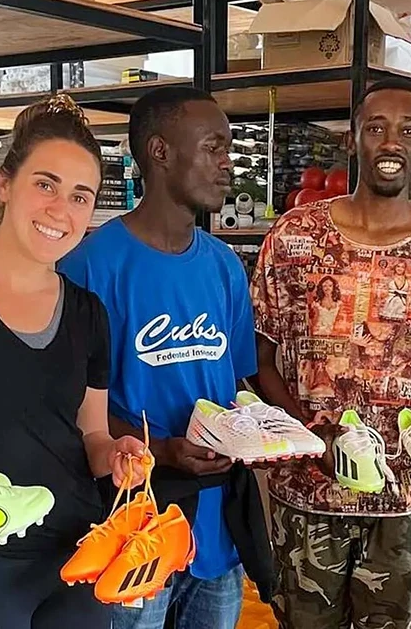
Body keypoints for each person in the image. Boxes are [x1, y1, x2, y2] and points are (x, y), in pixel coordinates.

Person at [250, 78, 411, 629]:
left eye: (408, 130)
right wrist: (305, 432)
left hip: (410, 498)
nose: (391, 142)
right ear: (353, 140)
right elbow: (259, 357)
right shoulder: (295, 236)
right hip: (310, 493)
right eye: (376, 128)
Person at [0, 95, 146, 628]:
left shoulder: (89, 312)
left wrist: (116, 455)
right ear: (5, 183)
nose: (60, 211)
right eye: (45, 184)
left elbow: (89, 435)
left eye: (80, 196)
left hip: (77, 552)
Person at [58, 87, 258, 629]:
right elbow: (67, 405)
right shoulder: (90, 267)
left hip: (217, 529)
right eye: (214, 147)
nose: (227, 164)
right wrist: (162, 450)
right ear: (160, 151)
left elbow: (238, 380)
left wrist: (264, 431)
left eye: (229, 148)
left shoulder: (224, 267)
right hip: (133, 527)